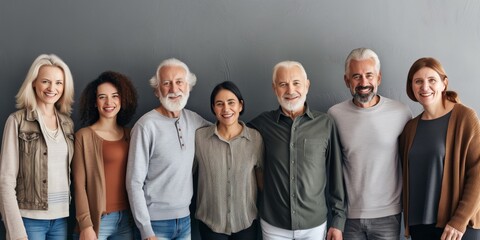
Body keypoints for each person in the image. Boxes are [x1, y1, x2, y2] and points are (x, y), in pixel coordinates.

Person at [249, 61, 346, 240]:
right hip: (273, 224)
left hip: (314, 225)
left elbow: (335, 175)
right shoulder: (261, 124)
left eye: (296, 83)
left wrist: (338, 221)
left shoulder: (325, 124)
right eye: (283, 84)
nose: (290, 90)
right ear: (274, 88)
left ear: (307, 85)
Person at [327, 48, 411, 239]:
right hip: (348, 217)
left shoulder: (401, 113)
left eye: (369, 75)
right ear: (347, 80)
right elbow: (332, 168)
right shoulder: (334, 115)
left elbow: (410, 163)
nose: (364, 83)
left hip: (389, 215)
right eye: (356, 76)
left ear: (379, 78)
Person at [126, 58, 210, 240]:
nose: (174, 89)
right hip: (154, 225)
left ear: (188, 86)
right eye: (166, 83)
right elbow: (134, 183)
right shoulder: (145, 126)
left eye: (179, 82)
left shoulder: (194, 120)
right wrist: (146, 230)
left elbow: (223, 132)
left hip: (185, 221)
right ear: (157, 91)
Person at [399, 57, 480, 240]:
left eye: (431, 80)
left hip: (456, 229)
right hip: (420, 227)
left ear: (444, 84)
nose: (424, 87)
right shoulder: (410, 128)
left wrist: (459, 221)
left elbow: (478, 172)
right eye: (418, 81)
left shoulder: (464, 118)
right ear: (411, 87)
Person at [0, 54, 75, 239]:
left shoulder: (67, 124)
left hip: (61, 219)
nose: (52, 88)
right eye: (46, 81)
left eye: (59, 83)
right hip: (29, 220)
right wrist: (15, 230)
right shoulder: (17, 121)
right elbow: (5, 180)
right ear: (34, 83)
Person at [194, 81, 264, 240]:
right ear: (213, 108)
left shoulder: (255, 138)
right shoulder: (200, 138)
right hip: (211, 223)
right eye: (219, 104)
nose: (226, 109)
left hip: (245, 223)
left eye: (231, 102)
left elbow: (261, 182)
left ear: (240, 105)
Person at [73, 71, 138, 239]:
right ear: (94, 102)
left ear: (122, 100)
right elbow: (79, 185)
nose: (109, 102)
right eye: (102, 97)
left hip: (127, 220)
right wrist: (85, 224)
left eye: (115, 96)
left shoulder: (132, 134)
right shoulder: (84, 136)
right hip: (98, 221)